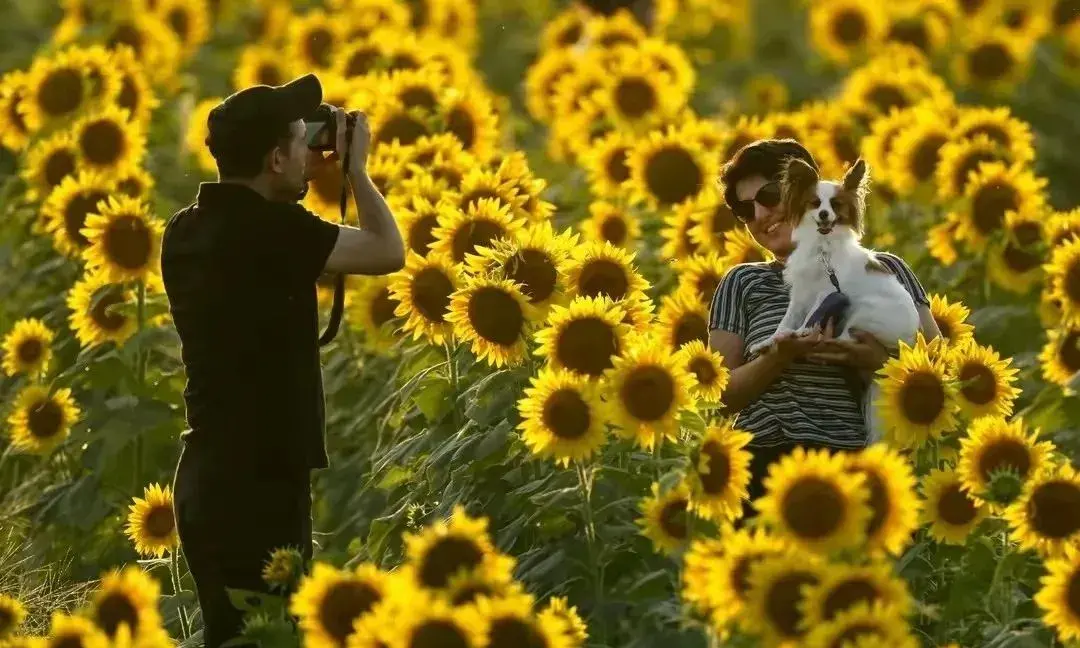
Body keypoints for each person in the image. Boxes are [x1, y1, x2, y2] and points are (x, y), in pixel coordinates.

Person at [161, 74, 405, 648]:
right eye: (301, 141)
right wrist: (357, 175)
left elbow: (268, 260)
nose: (311, 151)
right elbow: (387, 251)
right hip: (260, 487)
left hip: (205, 478)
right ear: (273, 159)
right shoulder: (277, 233)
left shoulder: (184, 230)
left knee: (233, 636)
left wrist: (296, 173)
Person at [707, 139, 941, 520]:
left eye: (769, 195)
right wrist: (778, 358)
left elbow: (941, 373)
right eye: (745, 210)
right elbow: (718, 395)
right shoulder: (743, 282)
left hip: (859, 470)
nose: (761, 214)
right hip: (764, 465)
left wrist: (875, 362)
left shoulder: (884, 269)